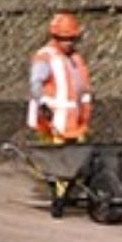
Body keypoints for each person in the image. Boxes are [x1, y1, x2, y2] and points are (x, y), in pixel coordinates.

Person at [28, 12, 93, 144]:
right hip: (51, 126)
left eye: (72, 38)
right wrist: (43, 106)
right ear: (55, 37)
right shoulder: (46, 57)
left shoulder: (75, 59)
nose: (68, 42)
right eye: (64, 38)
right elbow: (36, 83)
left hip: (73, 125)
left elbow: (82, 91)